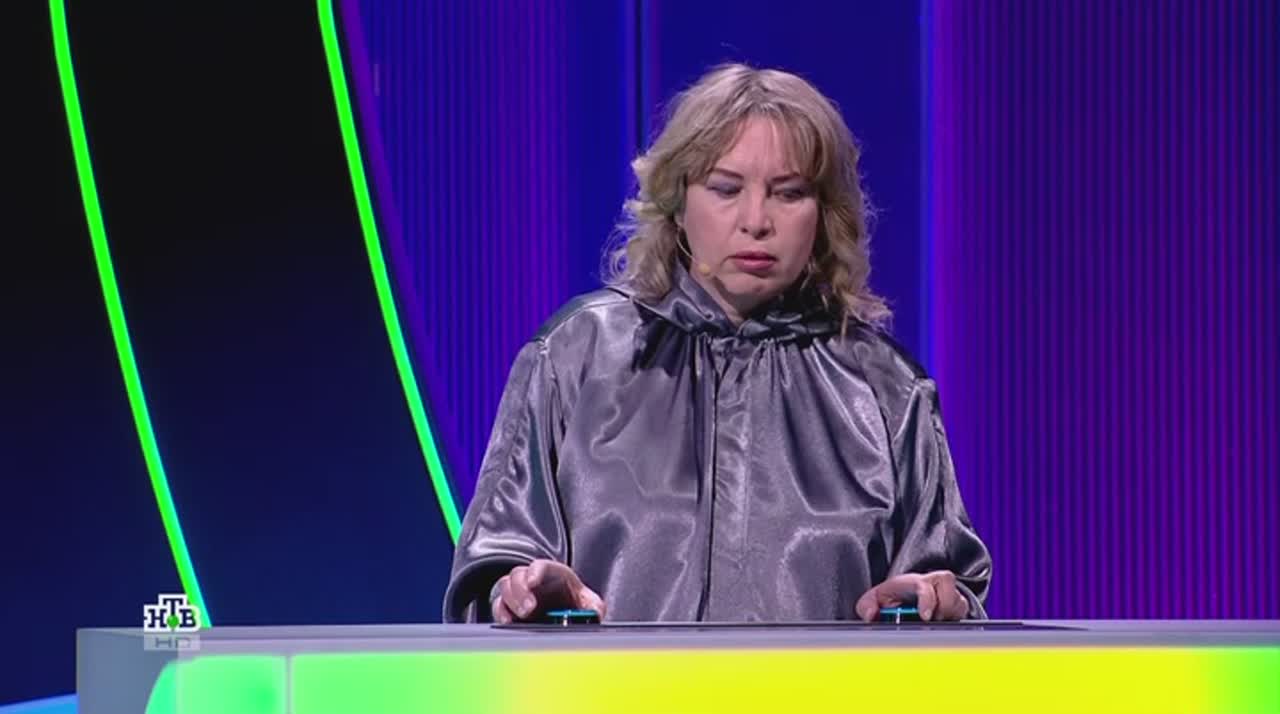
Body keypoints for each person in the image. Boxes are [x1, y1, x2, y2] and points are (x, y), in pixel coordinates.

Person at [443, 63, 991, 624]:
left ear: (824, 216)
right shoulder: (574, 356)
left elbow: (952, 595)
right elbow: (489, 579)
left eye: (789, 193)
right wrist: (518, 594)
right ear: (677, 203)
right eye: (726, 189)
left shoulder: (886, 389)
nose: (756, 221)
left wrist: (940, 607)